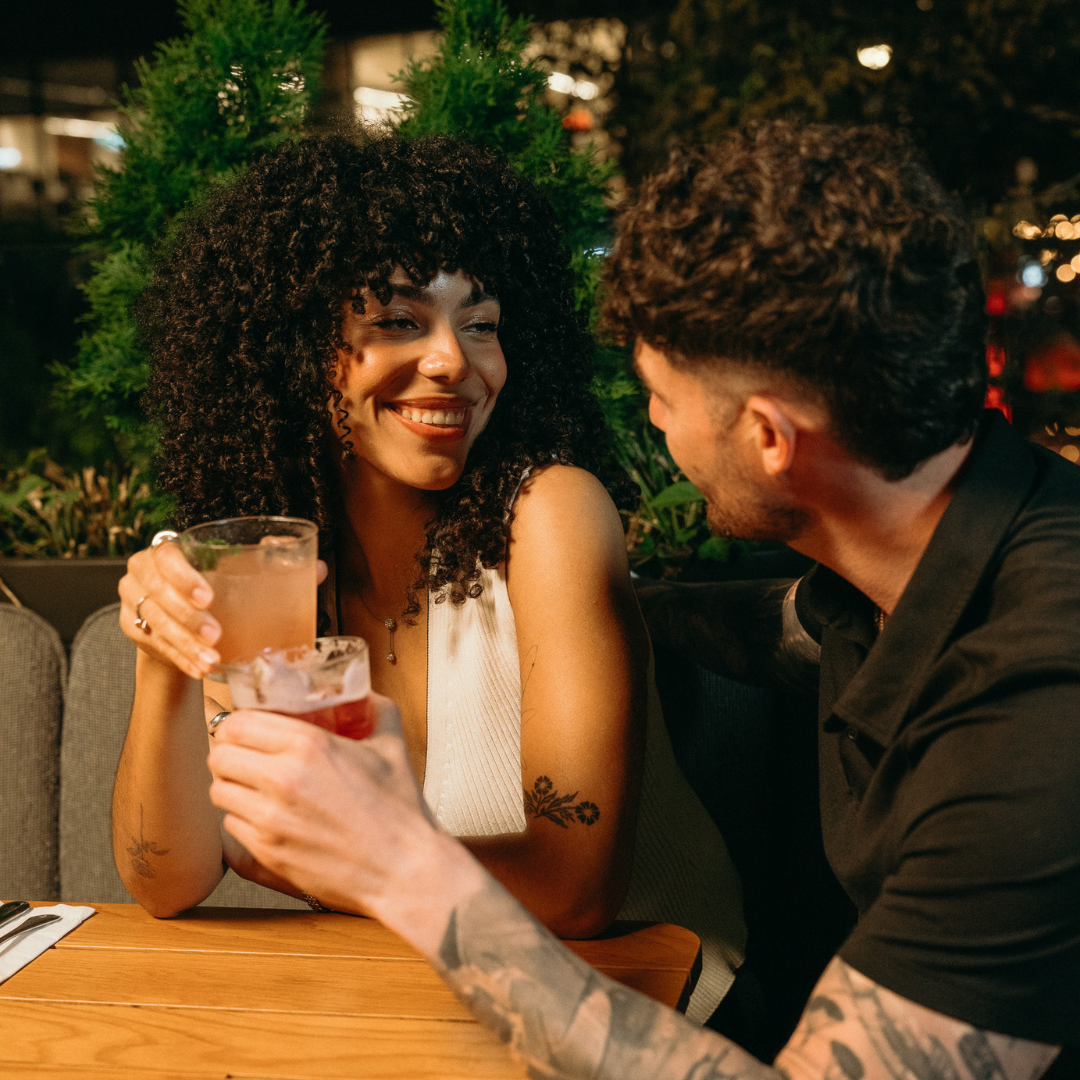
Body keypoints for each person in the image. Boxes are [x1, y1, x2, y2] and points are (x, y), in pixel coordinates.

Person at [206, 120, 1080, 1080]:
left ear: (770, 437)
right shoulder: (942, 557)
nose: (654, 426)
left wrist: (400, 864)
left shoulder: (1034, 713)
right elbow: (787, 628)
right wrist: (577, 609)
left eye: (662, 397)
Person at [112, 133, 745, 1023]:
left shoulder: (549, 517)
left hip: (643, 1006)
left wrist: (329, 865)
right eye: (399, 321)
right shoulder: (269, 566)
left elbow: (574, 893)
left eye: (480, 324)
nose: (454, 359)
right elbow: (166, 879)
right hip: (415, 1001)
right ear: (298, 349)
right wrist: (164, 661)